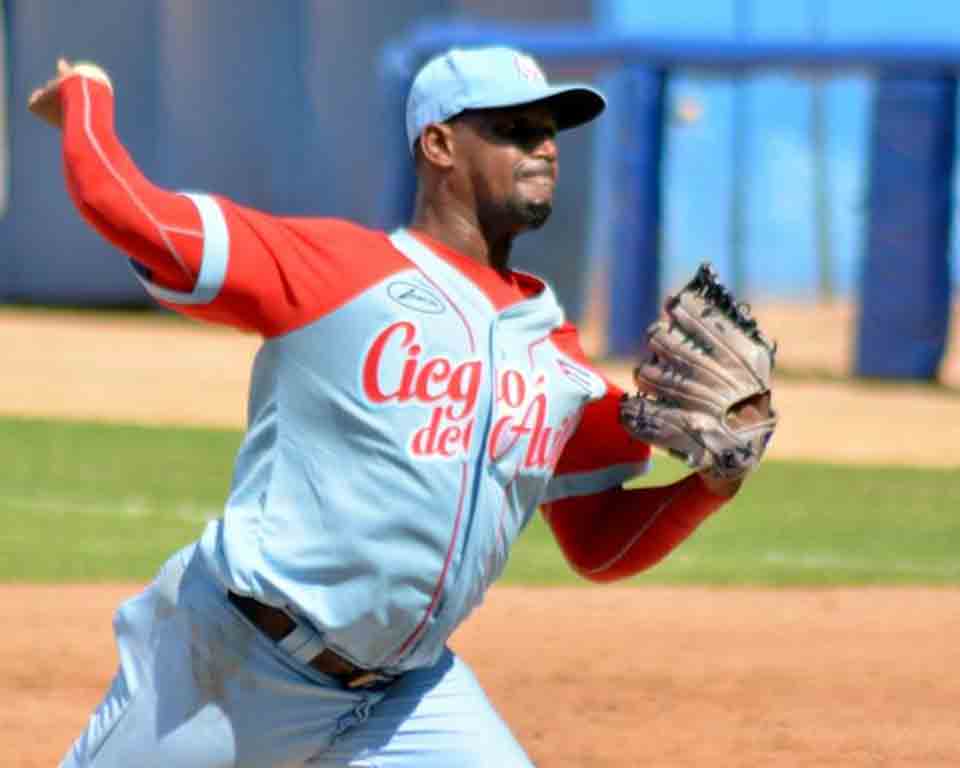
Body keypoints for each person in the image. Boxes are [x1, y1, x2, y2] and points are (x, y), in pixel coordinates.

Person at [29, 46, 759, 767]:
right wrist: (87, 98)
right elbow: (128, 210)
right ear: (439, 144)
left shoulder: (558, 359)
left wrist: (710, 486)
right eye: (511, 130)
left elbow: (599, 544)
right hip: (231, 667)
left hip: (403, 698)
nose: (541, 147)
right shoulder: (334, 272)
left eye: (548, 132)